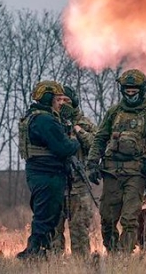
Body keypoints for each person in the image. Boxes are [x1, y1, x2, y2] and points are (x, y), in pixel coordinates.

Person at [86, 69, 146, 253]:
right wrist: (92, 163)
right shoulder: (114, 112)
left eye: (134, 90)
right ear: (122, 90)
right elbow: (100, 138)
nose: (131, 94)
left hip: (136, 175)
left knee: (130, 219)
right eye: (127, 90)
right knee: (107, 219)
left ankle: (124, 257)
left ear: (141, 90)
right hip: (111, 174)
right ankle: (114, 252)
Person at [16, 80, 80, 260]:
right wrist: (75, 141)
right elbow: (64, 147)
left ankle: (40, 253)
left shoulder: (36, 116)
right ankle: (34, 254)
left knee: (46, 216)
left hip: (42, 173)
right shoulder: (45, 120)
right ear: (48, 98)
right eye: (58, 99)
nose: (62, 104)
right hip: (47, 174)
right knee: (45, 217)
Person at [52, 85, 96, 257]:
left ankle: (81, 264)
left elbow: (95, 144)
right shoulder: (50, 122)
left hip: (78, 185)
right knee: (54, 229)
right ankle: (55, 266)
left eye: (66, 100)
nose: (62, 103)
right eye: (59, 100)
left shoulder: (84, 122)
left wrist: (77, 129)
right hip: (56, 183)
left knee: (79, 229)